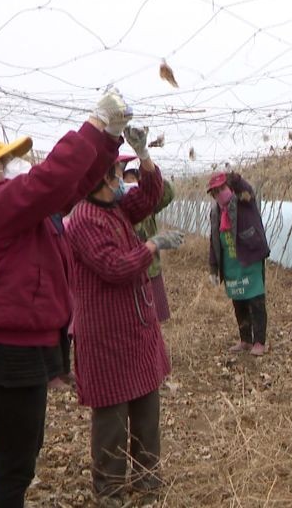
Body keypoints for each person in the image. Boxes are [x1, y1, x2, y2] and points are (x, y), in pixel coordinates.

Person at [0, 88, 131, 507]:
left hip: (22, 355)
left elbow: (70, 187)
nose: (14, 167)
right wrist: (94, 124)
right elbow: (49, 181)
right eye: (5, 162)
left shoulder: (8, 209)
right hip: (8, 359)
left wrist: (107, 140)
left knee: (22, 460)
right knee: (14, 471)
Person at [65, 127, 185, 503]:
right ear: (104, 178)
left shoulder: (116, 208)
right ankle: (111, 492)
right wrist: (152, 245)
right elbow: (114, 266)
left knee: (147, 410)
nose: (122, 178)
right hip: (106, 337)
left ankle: (148, 483)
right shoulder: (84, 219)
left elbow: (150, 195)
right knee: (112, 419)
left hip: (136, 330)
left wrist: (144, 153)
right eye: (118, 171)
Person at [207, 171, 271, 356]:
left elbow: (248, 190)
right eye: (215, 191)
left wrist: (234, 178)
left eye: (222, 188)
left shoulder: (243, 201)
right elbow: (214, 240)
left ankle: (259, 342)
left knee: (256, 300)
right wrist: (213, 267)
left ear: (230, 188)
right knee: (238, 300)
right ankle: (245, 340)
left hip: (249, 257)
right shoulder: (216, 212)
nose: (219, 194)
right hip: (231, 262)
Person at [122, 160, 176, 322]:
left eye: (134, 179)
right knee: (134, 316)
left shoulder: (147, 203)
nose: (130, 183)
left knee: (155, 316)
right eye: (126, 180)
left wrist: (151, 174)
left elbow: (168, 193)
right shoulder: (118, 206)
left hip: (151, 268)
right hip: (130, 270)